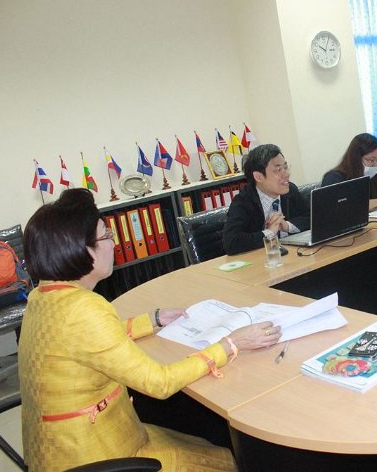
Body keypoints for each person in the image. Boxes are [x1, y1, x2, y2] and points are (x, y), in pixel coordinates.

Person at [19, 188, 282, 471]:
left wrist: (153, 319)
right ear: (81, 250)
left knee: (205, 437)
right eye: (107, 236)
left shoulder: (43, 297)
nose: (114, 243)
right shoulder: (85, 309)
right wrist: (230, 344)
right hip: (100, 454)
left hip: (57, 450)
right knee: (226, 460)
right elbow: (159, 383)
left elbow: (87, 340)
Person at [222, 144, 310, 255]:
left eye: (285, 167)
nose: (287, 174)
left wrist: (287, 226)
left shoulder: (290, 190)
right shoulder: (243, 201)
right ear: (258, 177)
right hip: (261, 261)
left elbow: (312, 217)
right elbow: (231, 242)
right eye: (278, 170)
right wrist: (269, 233)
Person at [321, 133, 377, 211]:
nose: (376, 165)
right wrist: (376, 202)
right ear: (355, 159)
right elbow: (335, 209)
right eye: (371, 160)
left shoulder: (373, 176)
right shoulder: (334, 178)